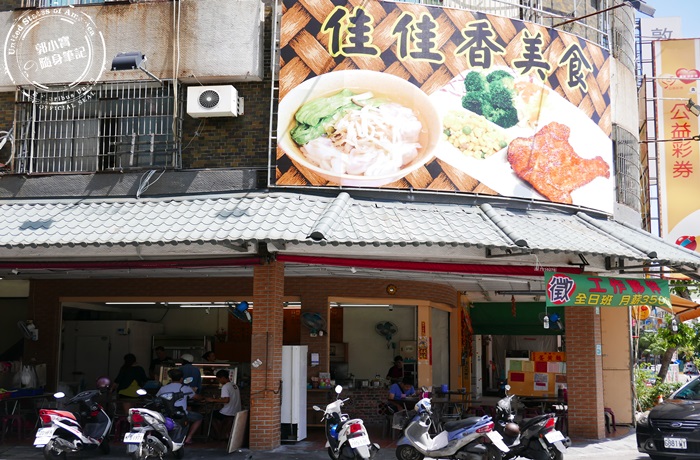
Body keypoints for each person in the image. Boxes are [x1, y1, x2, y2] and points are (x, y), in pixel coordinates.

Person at [158, 368, 203, 445]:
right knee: (199, 417)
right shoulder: (185, 388)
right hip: (182, 414)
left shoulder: (163, 388)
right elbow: (197, 397)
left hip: (167, 413)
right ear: (181, 379)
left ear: (171, 378)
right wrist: (203, 397)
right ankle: (188, 438)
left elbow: (157, 398)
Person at [205, 369, 241, 440]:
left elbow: (226, 400)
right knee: (216, 414)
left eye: (219, 379)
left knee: (211, 416)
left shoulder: (225, 386)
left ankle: (220, 435)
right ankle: (223, 434)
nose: (219, 381)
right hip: (236, 410)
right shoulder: (234, 385)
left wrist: (213, 400)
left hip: (228, 412)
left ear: (223, 378)